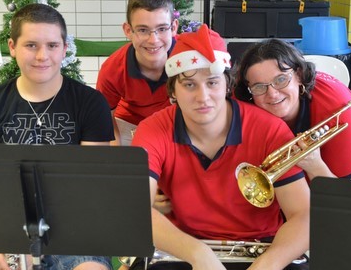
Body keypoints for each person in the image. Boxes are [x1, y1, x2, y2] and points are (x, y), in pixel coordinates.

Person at [0, 3, 114, 270]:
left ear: (65, 48)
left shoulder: (90, 103)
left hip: (71, 226)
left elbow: (91, 189)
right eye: (31, 45)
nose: (42, 56)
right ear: (12, 47)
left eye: (52, 45)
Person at [131, 25, 310, 270]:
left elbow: (304, 214)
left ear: (227, 85)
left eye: (212, 83)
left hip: (261, 251)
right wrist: (198, 254)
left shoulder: (269, 129)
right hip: (184, 248)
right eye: (189, 85)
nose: (203, 97)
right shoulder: (153, 129)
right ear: (173, 90)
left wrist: (267, 265)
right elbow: (135, 207)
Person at [234, 39, 351, 182]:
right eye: (259, 86)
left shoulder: (340, 112)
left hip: (335, 169)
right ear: (249, 91)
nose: (272, 94)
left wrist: (315, 166)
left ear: (299, 75)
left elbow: (347, 198)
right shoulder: (240, 103)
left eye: (281, 80)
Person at [96, 0, 178, 146]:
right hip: (129, 124)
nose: (153, 40)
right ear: (128, 30)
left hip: (175, 123)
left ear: (174, 27)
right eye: (142, 30)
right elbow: (105, 121)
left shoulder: (189, 56)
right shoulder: (112, 69)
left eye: (162, 29)